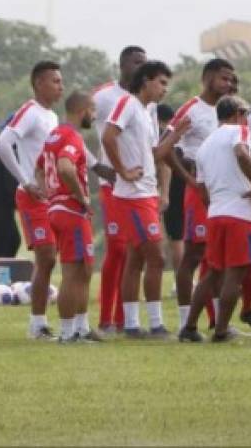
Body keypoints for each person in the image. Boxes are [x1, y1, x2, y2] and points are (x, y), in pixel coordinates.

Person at [156, 59, 250, 333]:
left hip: (224, 193)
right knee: (194, 255)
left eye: (232, 80)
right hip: (200, 191)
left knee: (218, 258)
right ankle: (187, 322)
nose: (230, 84)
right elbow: (164, 149)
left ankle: (219, 321)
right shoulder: (192, 109)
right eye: (224, 78)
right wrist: (190, 181)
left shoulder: (230, 111)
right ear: (207, 78)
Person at [179, 96, 251, 342]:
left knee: (213, 273)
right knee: (235, 274)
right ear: (238, 112)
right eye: (246, 113)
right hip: (238, 213)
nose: (247, 118)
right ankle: (221, 330)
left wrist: (216, 204)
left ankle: (190, 327)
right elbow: (241, 153)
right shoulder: (239, 130)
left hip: (215, 214)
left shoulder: (206, 145)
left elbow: (201, 186)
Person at [101, 60, 173, 338]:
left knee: (135, 259)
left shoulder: (146, 111)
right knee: (156, 257)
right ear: (145, 81)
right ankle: (155, 324)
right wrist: (122, 171)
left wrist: (175, 135)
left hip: (145, 193)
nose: (165, 89)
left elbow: (152, 155)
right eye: (161, 82)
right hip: (132, 196)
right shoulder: (127, 104)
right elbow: (108, 136)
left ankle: (130, 324)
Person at [0, 61, 63, 340]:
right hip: (31, 197)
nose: (60, 86)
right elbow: (2, 144)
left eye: (61, 81)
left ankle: (41, 322)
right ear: (38, 83)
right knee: (45, 257)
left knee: (49, 260)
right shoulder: (30, 112)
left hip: (50, 196)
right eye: (55, 81)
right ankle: (37, 324)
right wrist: (25, 181)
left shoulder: (52, 117)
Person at [35, 92, 102, 343]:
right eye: (93, 111)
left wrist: (47, 193)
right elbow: (64, 167)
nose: (94, 116)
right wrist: (81, 196)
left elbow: (40, 167)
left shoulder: (53, 135)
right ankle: (67, 333)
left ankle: (81, 328)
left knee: (83, 270)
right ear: (83, 110)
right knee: (74, 273)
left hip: (57, 209)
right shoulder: (70, 135)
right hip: (71, 210)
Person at [93, 45, 148, 333]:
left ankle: (125, 318)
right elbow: (74, 126)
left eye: (145, 63)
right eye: (136, 62)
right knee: (116, 248)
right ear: (122, 65)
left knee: (135, 251)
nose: (141, 67)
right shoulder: (103, 97)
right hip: (112, 184)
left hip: (140, 188)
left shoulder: (145, 101)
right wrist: (93, 164)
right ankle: (106, 320)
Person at [156, 103, 184, 278]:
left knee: (175, 238)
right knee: (182, 236)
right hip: (184, 185)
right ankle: (183, 279)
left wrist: (163, 193)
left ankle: (180, 280)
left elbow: (163, 165)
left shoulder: (160, 136)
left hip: (171, 188)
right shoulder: (177, 134)